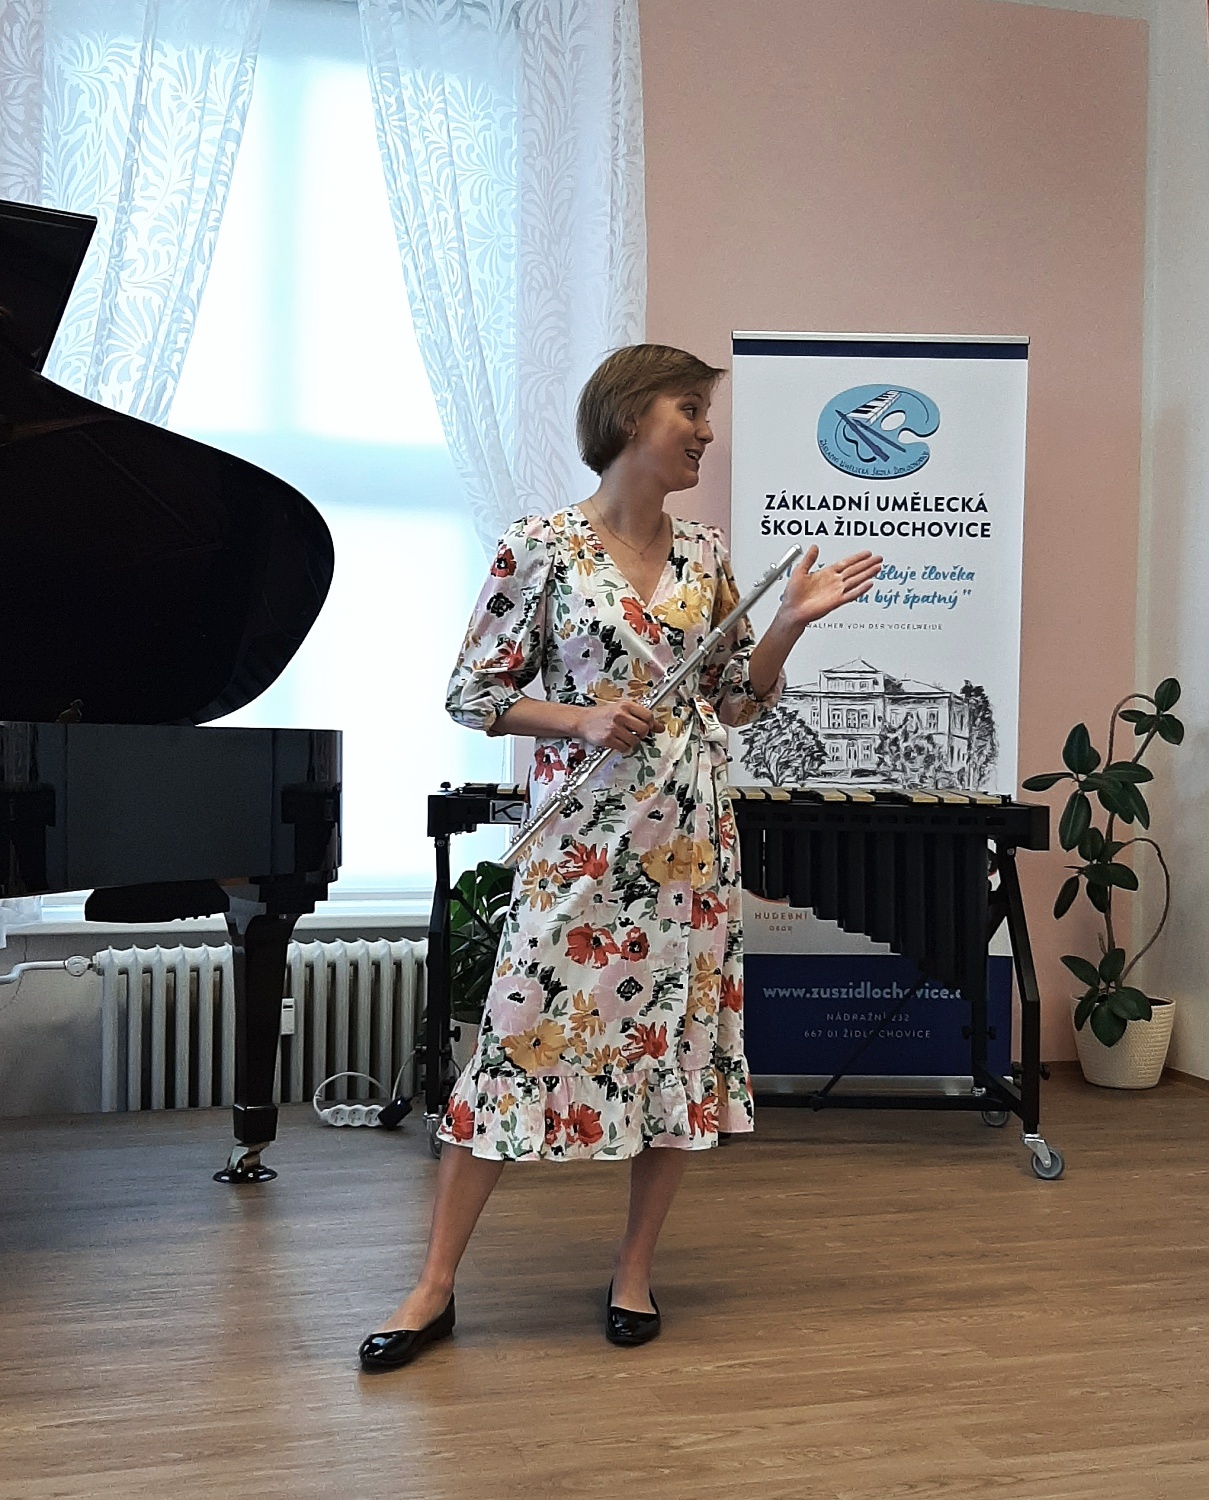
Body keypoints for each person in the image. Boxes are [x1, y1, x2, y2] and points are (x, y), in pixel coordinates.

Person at [359, 344, 882, 1371]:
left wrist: (784, 626)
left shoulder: (708, 556)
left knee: (674, 1054)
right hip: (579, 854)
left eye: (705, 414)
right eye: (690, 410)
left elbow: (734, 703)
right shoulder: (541, 546)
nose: (706, 432)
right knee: (513, 1044)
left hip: (689, 854)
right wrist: (580, 718)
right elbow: (472, 695)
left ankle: (633, 1269)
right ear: (631, 415)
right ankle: (433, 1288)